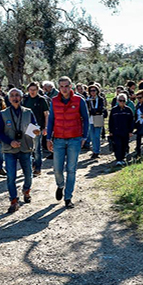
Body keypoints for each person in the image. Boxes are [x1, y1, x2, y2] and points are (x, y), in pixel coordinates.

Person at [46, 76, 89, 209]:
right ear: (59, 88)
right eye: (62, 86)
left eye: (66, 86)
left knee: (71, 169)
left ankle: (68, 197)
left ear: (71, 86)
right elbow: (51, 120)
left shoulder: (79, 100)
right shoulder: (54, 101)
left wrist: (84, 137)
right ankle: (60, 185)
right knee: (57, 169)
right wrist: (48, 138)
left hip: (74, 139)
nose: (64, 89)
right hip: (58, 139)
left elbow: (86, 119)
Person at [0, 88, 41, 213]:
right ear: (9, 99)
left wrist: (37, 131)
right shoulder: (3, 114)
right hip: (10, 149)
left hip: (25, 148)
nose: (15, 98)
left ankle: (26, 190)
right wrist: (10, 142)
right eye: (12, 96)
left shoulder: (28, 112)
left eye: (17, 95)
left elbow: (35, 126)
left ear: (21, 98)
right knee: (11, 176)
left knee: (28, 175)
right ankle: (13, 201)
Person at [21, 82, 49, 175]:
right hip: (26, 127)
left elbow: (46, 115)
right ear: (28, 90)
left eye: (34, 90)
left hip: (37, 127)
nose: (32, 92)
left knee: (37, 148)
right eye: (31, 90)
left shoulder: (41, 100)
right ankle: (30, 165)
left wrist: (45, 127)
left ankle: (38, 168)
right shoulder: (25, 99)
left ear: (37, 90)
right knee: (28, 148)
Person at [109, 93, 134, 166]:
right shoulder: (114, 110)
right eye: (120, 100)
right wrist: (110, 131)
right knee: (117, 145)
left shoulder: (128, 110)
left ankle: (122, 158)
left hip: (125, 131)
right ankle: (118, 159)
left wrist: (131, 131)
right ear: (117, 101)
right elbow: (111, 121)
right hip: (116, 131)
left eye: (123, 100)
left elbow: (131, 121)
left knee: (124, 145)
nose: (122, 102)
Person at [86, 84, 105, 159]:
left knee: (97, 135)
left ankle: (97, 151)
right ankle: (95, 151)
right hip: (90, 119)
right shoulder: (88, 100)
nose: (92, 92)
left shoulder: (100, 99)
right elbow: (88, 110)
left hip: (98, 118)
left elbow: (101, 109)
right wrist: (94, 111)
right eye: (91, 91)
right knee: (93, 136)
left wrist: (94, 111)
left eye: (94, 90)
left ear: (97, 91)